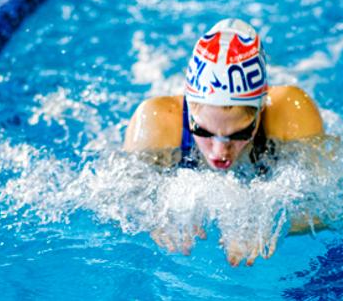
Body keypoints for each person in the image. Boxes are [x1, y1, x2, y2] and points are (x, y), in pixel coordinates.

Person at [124, 18, 326, 266]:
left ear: (260, 112)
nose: (220, 151)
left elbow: (330, 207)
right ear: (189, 109)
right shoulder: (157, 122)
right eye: (203, 130)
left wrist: (271, 221)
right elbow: (118, 202)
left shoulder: (292, 114)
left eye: (239, 133)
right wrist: (154, 218)